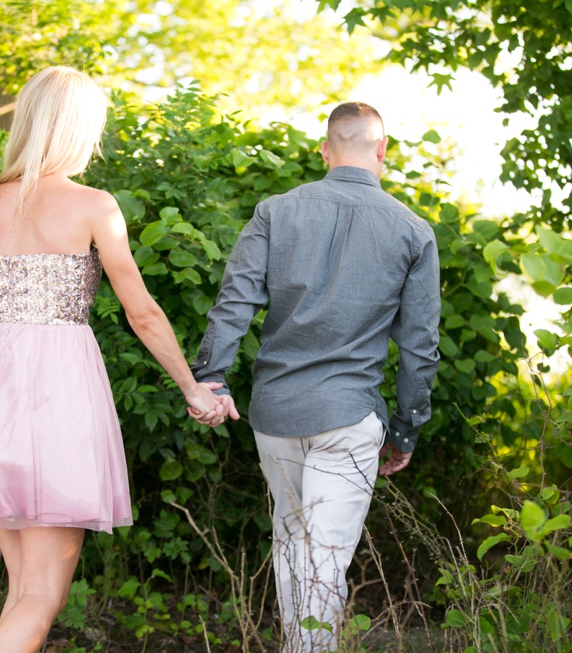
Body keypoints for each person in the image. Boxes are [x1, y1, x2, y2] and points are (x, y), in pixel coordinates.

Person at [0, 66, 229, 653]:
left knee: (22, 591)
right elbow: (142, 314)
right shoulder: (93, 205)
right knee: (41, 597)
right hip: (55, 402)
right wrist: (192, 388)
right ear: (79, 128)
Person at [189, 102, 441, 652]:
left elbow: (234, 303)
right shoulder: (413, 230)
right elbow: (420, 348)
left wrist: (211, 378)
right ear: (382, 151)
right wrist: (406, 430)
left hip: (275, 414)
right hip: (349, 415)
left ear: (325, 151)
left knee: (292, 543)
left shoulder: (276, 212)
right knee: (323, 558)